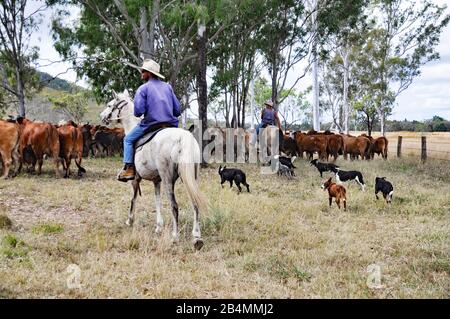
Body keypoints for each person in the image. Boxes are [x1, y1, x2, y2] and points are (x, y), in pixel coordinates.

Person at [118, 59, 181, 182]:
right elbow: (177, 111)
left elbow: (138, 112)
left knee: (128, 140)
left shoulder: (143, 89)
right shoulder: (168, 87)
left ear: (149, 73)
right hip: (171, 125)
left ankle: (129, 169)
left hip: (151, 125)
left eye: (143, 71)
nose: (141, 73)